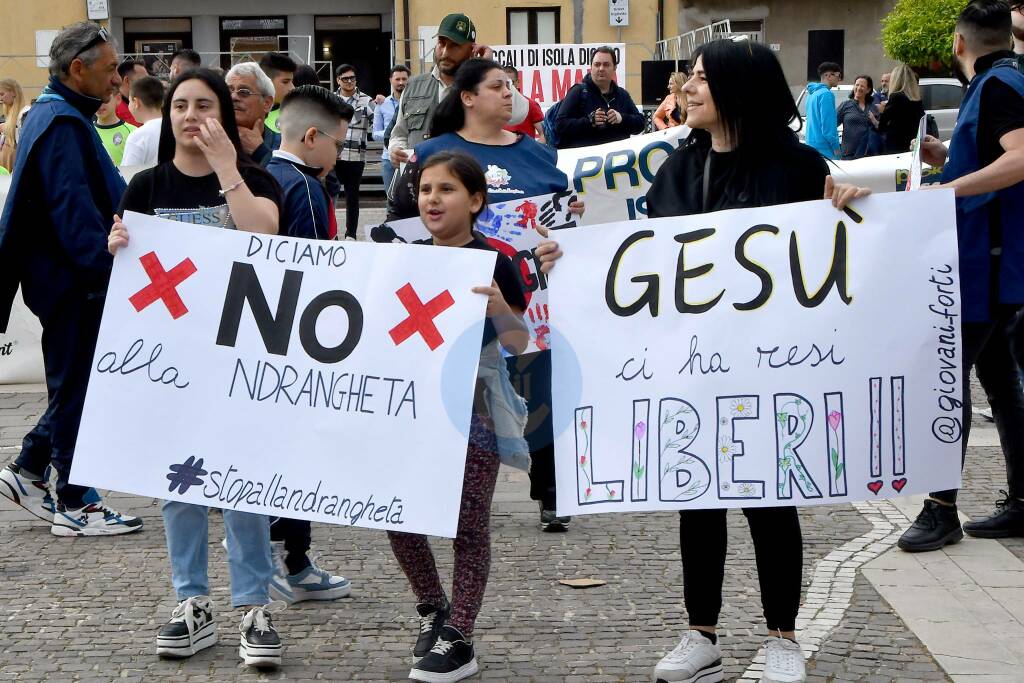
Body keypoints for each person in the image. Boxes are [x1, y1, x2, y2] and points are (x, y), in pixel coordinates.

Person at [631, 39, 867, 683]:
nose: (689, 89)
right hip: (695, 364)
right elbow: (643, 257)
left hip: (774, 366)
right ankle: (700, 633)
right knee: (698, 495)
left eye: (703, 80)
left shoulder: (796, 166)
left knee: (770, 498)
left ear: (738, 89)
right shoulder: (678, 169)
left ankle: (782, 638)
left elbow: (841, 253)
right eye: (690, 78)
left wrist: (848, 211)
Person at [108, 68, 285, 666]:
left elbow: (266, 233)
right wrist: (117, 249)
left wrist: (226, 168)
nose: (189, 115)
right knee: (178, 482)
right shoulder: (145, 187)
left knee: (243, 482)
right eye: (180, 105)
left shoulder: (256, 180)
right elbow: (128, 278)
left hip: (240, 357)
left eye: (203, 105)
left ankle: (254, 605)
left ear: (226, 116)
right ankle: (192, 601)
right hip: (170, 361)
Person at [389, 58, 583, 533]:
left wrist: (569, 222)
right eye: (498, 86)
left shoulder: (538, 153)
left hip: (529, 295)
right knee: (457, 389)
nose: (509, 93)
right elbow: (401, 221)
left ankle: (551, 491)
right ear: (468, 96)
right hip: (448, 306)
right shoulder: (434, 151)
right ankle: (446, 491)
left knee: (540, 384)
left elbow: (559, 220)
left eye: (511, 86)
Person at [389, 150, 529, 683]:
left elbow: (520, 342)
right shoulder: (407, 258)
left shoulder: (496, 260)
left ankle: (461, 634)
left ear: (474, 201)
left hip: (475, 408)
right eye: (425, 190)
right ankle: (433, 607)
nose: (432, 200)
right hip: (412, 407)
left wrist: (497, 304)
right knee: (397, 512)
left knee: (468, 522)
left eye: (446, 190)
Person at [0, 22, 143, 536]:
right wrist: (109, 274)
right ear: (76, 69)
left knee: (78, 382)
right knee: (81, 387)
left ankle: (30, 467)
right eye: (109, 71)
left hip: (64, 279)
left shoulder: (53, 114)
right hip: (74, 281)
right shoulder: (62, 122)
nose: (116, 82)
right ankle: (76, 502)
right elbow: (74, 215)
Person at [898, 0, 1024, 552]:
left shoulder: (996, 86)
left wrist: (946, 188)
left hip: (986, 264)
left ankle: (941, 507)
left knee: (945, 384)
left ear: (957, 43)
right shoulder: (1007, 80)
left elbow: (1020, 157)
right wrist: (946, 155)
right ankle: (1022, 500)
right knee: (1000, 384)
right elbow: (995, 158)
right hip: (998, 262)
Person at [262, 85, 356, 602]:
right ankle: (289, 561)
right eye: (339, 145)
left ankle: (289, 557)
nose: (340, 154)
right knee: (297, 452)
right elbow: (313, 270)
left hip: (266, 338)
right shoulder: (303, 188)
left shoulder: (260, 175)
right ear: (313, 136)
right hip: (299, 343)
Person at [387, 13, 530, 166]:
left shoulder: (479, 85)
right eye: (442, 43)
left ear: (471, 50)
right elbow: (399, 134)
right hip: (422, 181)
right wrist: (396, 150)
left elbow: (519, 113)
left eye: (455, 45)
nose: (445, 52)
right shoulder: (414, 85)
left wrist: (488, 67)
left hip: (467, 177)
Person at [553, 46, 645, 149]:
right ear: (591, 67)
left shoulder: (622, 94)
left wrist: (621, 118)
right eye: (597, 64)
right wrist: (590, 121)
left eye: (606, 65)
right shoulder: (578, 91)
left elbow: (640, 123)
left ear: (614, 68)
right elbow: (559, 125)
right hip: (585, 160)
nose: (601, 68)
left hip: (618, 161)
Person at [334, 63, 375, 240]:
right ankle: (331, 233)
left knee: (352, 197)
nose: (349, 81)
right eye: (345, 79)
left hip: (355, 156)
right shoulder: (330, 100)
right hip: (333, 156)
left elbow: (379, 123)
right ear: (338, 80)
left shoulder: (367, 100)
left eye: (352, 78)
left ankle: (351, 234)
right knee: (330, 197)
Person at [226, 62, 279, 167]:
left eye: (244, 92)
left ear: (266, 103)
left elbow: (288, 180)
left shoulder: (284, 145)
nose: (233, 97)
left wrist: (260, 152)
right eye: (229, 91)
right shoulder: (212, 141)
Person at [373, 64, 409, 194]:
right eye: (397, 79)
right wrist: (393, 132)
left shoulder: (414, 102)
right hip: (388, 159)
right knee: (391, 200)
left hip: (409, 157)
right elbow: (375, 134)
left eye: (404, 79)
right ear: (390, 80)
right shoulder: (382, 104)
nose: (401, 82)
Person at [877, 63, 925, 153]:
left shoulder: (896, 97)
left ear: (896, 80)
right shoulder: (917, 99)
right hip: (912, 144)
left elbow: (882, 125)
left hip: (896, 145)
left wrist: (882, 111)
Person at [121, 75, 165, 166]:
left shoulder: (138, 136)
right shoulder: (176, 129)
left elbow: (129, 174)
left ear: (136, 102)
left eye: (129, 102)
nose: (129, 106)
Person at [836, 75, 881, 159]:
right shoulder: (846, 105)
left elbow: (881, 128)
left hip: (869, 155)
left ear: (868, 90)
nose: (858, 88)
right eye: (857, 85)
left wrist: (874, 120)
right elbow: (832, 125)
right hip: (848, 154)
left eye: (862, 86)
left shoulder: (873, 108)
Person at [805, 61, 842, 159]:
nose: (839, 79)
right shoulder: (826, 94)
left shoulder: (811, 94)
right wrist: (836, 149)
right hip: (825, 150)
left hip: (811, 146)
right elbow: (828, 127)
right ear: (828, 75)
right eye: (838, 75)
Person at [503, 65, 545, 142]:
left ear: (517, 82)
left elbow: (545, 135)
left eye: (511, 82)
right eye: (505, 83)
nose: (509, 86)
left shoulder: (530, 104)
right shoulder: (495, 107)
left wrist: (532, 150)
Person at [93, 90, 134, 165]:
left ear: (118, 98)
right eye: (94, 98)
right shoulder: (86, 131)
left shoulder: (132, 132)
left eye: (104, 98)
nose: (99, 103)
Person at [259, 52, 296, 134]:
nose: (292, 88)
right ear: (267, 81)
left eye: (292, 81)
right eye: (285, 82)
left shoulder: (296, 116)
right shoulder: (248, 114)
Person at [0, 78, 27, 172]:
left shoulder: (25, 113)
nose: (1, 98)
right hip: (6, 160)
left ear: (14, 92)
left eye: (2, 94)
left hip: (15, 160)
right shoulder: (10, 112)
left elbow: (25, 142)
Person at [116, 59, 147, 126]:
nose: (148, 83)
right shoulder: (110, 110)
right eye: (143, 79)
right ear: (127, 80)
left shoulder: (148, 105)